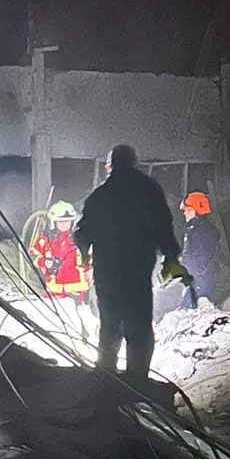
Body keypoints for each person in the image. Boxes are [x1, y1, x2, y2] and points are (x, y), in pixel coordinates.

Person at [73, 144, 186, 379]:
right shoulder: (149, 190)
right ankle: (137, 376)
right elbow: (163, 225)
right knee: (139, 325)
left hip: (108, 272)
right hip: (137, 270)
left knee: (110, 324)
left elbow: (82, 233)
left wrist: (85, 255)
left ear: (111, 165)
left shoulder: (101, 194)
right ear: (135, 162)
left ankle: (106, 375)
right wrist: (171, 254)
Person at [31, 200, 92, 335]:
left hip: (78, 289)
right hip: (54, 288)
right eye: (61, 221)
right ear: (53, 222)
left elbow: (93, 256)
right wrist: (43, 262)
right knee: (54, 321)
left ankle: (85, 341)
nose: (64, 224)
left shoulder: (80, 238)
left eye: (68, 221)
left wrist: (91, 270)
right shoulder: (45, 238)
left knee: (83, 320)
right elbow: (33, 255)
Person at [179, 191, 220, 309]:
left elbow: (200, 261)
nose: (185, 213)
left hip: (200, 282)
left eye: (187, 209)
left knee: (184, 314)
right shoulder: (195, 228)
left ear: (195, 210)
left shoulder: (204, 232)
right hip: (196, 280)